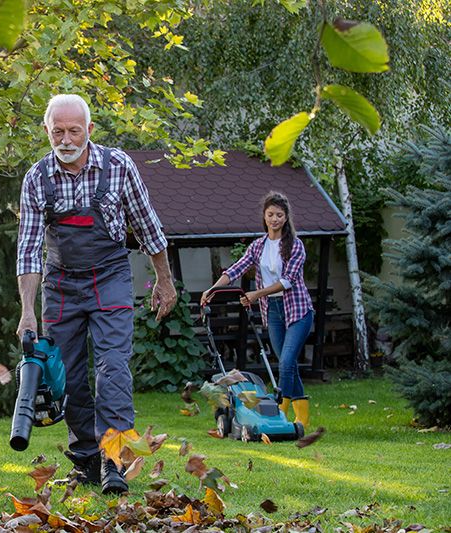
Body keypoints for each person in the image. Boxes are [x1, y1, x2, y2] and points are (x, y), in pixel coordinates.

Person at [16, 94, 176, 494]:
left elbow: (147, 226)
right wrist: (27, 311)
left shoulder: (118, 166)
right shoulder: (37, 178)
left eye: (74, 131)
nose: (66, 139)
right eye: (58, 131)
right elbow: (29, 249)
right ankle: (87, 458)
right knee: (66, 376)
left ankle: (114, 460)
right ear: (47, 132)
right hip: (61, 284)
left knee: (113, 368)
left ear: (89, 130)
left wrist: (164, 280)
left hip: (110, 276)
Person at [200, 191, 314, 427]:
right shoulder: (258, 246)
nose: (274, 219)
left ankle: (278, 412)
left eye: (279, 215)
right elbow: (235, 270)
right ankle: (302, 416)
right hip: (272, 311)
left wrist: (255, 294)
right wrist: (211, 289)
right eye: (270, 214)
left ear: (286, 218)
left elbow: (287, 281)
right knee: (287, 363)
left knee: (285, 363)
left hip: (298, 311)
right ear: (264, 216)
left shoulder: (295, 245)